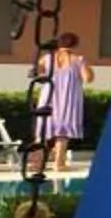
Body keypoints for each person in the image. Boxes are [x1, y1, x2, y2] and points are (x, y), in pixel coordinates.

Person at [33, 31, 91, 181]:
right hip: (68, 98)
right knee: (63, 131)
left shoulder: (46, 58)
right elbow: (88, 79)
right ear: (75, 44)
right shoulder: (78, 60)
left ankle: (37, 162)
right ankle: (59, 163)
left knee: (44, 128)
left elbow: (37, 74)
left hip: (49, 95)